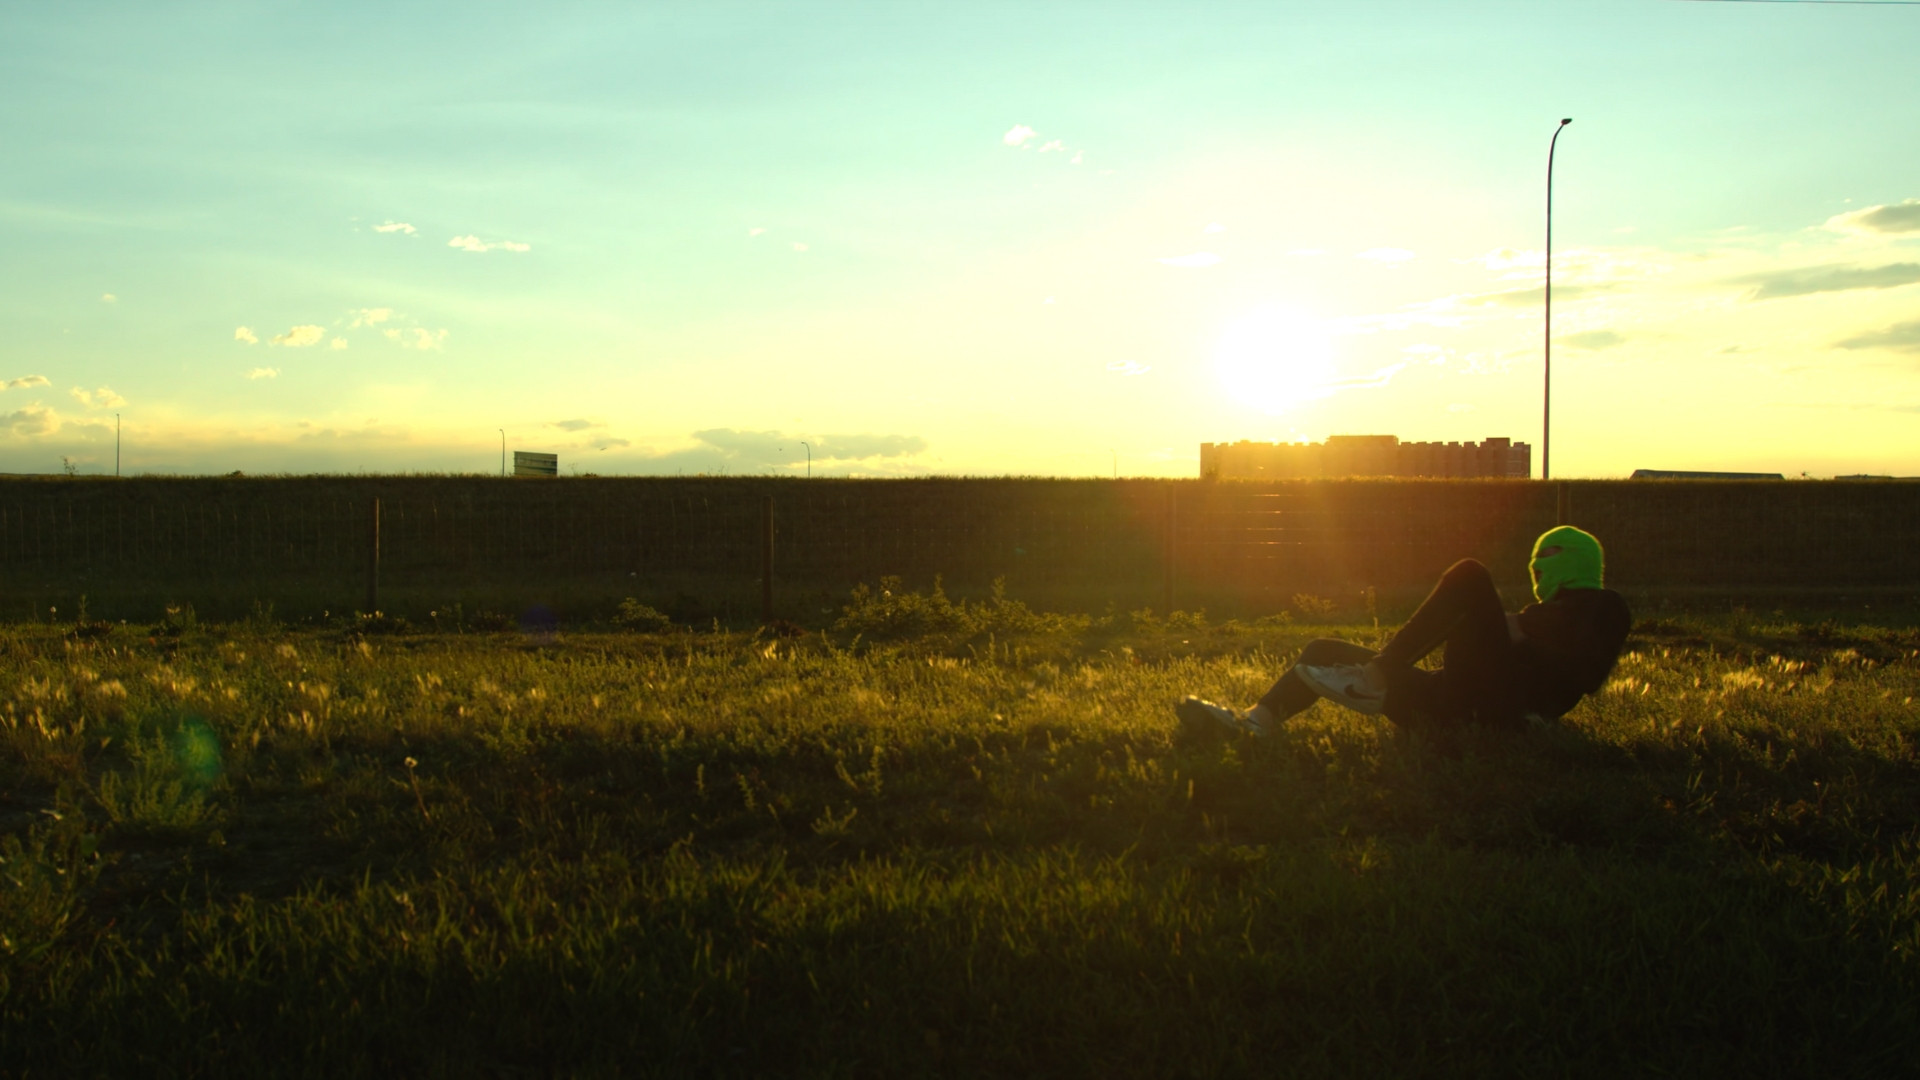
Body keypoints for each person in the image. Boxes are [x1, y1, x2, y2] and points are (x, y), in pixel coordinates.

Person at [1177, 525, 1632, 736]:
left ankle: (1379, 672)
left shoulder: (1604, 607)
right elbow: (1516, 634)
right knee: (1321, 649)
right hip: (1444, 703)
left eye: (1546, 557)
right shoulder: (1541, 619)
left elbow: (1582, 667)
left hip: (1492, 712)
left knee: (1469, 574)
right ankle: (1254, 722)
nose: (1536, 567)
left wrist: (1516, 627)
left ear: (1578, 561)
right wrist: (1511, 628)